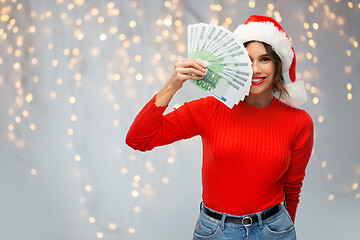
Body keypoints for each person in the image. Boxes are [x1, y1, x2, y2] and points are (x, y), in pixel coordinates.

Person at [126, 15, 314, 240]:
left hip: (274, 230)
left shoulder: (299, 121)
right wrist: (172, 85)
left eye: (264, 59)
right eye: (246, 59)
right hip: (216, 232)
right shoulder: (209, 110)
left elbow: (292, 187)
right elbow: (139, 139)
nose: (255, 69)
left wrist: (283, 232)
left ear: (278, 64)